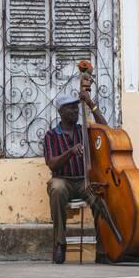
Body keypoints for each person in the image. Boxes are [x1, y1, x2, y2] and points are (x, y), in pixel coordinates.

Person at [44, 92, 110, 264]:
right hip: (63, 180)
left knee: (100, 195)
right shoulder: (51, 135)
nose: (75, 111)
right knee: (56, 188)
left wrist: (90, 103)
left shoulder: (83, 131)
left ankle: (103, 247)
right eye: (71, 108)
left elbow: (105, 130)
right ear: (61, 112)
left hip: (83, 180)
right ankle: (60, 243)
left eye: (76, 107)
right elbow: (52, 164)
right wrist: (70, 152)